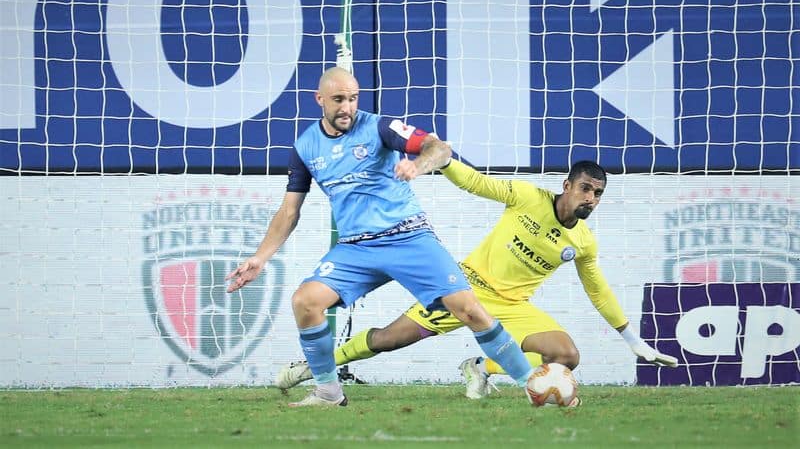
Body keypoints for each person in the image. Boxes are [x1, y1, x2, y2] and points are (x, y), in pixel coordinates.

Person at [226, 66, 535, 407]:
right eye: (339, 99)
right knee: (305, 301)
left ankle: (533, 384)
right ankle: (329, 393)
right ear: (320, 100)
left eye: (353, 98)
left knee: (469, 310)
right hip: (356, 249)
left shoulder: (379, 126)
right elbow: (289, 211)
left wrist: (418, 166)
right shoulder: (305, 146)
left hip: (409, 238)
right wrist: (260, 257)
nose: (347, 107)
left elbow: (438, 148)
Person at [276, 158, 678, 400]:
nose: (591, 198)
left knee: (567, 357)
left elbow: (597, 289)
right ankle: (313, 366)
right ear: (567, 185)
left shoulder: (583, 242)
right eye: (586, 189)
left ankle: (481, 367)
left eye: (598, 193)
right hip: (463, 292)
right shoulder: (525, 197)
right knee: (386, 340)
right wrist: (443, 159)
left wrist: (632, 339)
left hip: (512, 308)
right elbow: (476, 182)